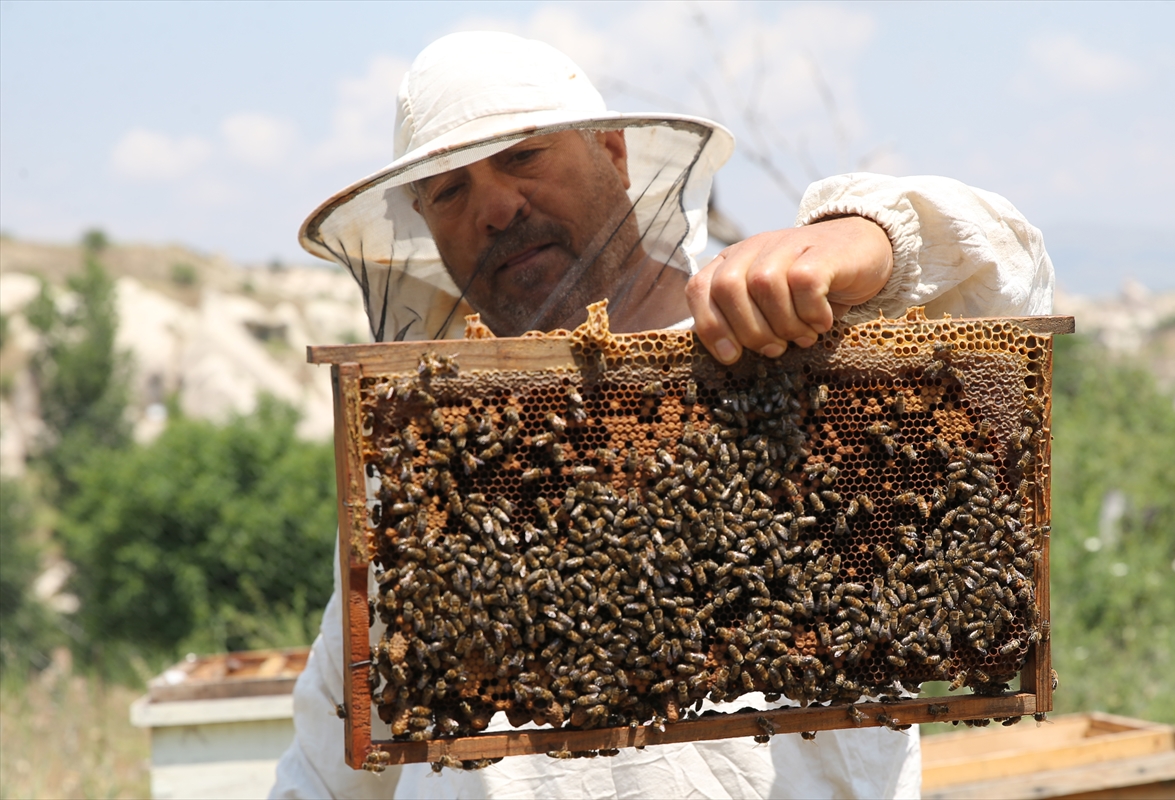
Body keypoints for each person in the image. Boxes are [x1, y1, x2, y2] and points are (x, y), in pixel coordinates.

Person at [272, 31, 1053, 800]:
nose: (498, 207)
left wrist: (866, 236)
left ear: (612, 153)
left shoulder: (778, 336)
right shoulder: (424, 455)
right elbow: (322, 766)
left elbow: (1007, 274)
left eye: (523, 157)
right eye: (450, 190)